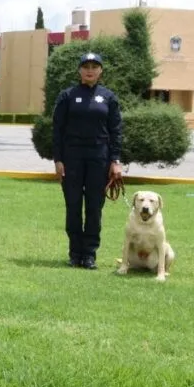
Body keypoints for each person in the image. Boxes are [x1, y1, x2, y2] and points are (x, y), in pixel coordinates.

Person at [51, 52, 123, 270]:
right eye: (86, 66)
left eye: (94, 66)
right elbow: (57, 129)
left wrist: (115, 160)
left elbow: (116, 131)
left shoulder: (108, 97)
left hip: (99, 157)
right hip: (72, 157)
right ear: (79, 70)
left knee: (94, 207)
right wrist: (58, 159)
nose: (90, 70)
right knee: (73, 205)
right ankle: (75, 253)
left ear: (101, 71)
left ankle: (90, 254)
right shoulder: (67, 96)